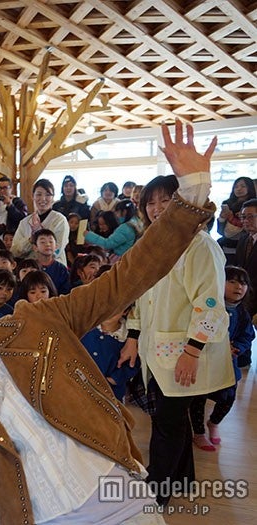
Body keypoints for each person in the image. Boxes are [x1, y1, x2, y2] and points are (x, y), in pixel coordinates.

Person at [0, 120, 217, 524]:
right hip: (38, 514)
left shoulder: (36, 320)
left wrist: (191, 193)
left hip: (113, 492)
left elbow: (126, 281)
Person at [119, 131, 232, 508]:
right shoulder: (151, 244)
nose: (156, 208)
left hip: (183, 351)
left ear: (182, 201)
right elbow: (140, 294)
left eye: (166, 199)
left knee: (166, 424)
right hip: (157, 348)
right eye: (151, 202)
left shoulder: (200, 246)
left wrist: (193, 350)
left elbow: (211, 303)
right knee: (174, 418)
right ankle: (182, 479)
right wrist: (133, 334)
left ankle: (156, 493)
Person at [189, 265, 253, 451]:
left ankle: (214, 423)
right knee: (199, 398)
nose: (238, 287)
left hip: (227, 364)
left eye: (243, 283)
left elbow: (247, 335)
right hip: (204, 361)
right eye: (232, 282)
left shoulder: (242, 314)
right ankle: (198, 433)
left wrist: (238, 348)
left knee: (229, 397)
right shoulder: (209, 307)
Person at [12, 179, 70, 266]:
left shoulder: (60, 220)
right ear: (33, 196)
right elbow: (15, 251)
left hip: (55, 269)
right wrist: (30, 240)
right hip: (31, 270)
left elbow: (57, 250)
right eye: (38, 194)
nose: (43, 199)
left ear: (53, 197)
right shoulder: (24, 222)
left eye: (48, 195)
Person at [233, 197, 257, 366]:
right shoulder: (243, 239)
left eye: (250, 217)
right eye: (243, 217)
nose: (246, 221)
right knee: (243, 325)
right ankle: (243, 358)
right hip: (245, 293)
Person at [217, 177, 256, 264]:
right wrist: (222, 218)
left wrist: (235, 219)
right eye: (236, 186)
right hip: (226, 245)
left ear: (249, 187)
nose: (239, 189)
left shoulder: (253, 205)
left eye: (243, 186)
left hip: (245, 246)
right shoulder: (228, 203)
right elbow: (220, 231)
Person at [32, 229, 71, 295]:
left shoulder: (61, 269)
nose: (48, 244)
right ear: (35, 247)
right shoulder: (30, 267)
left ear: (56, 247)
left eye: (51, 241)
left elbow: (66, 292)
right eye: (43, 242)